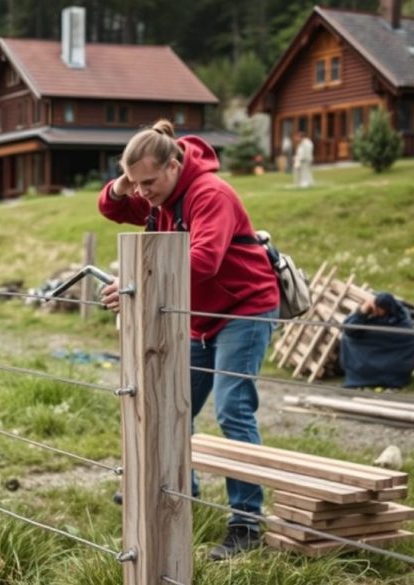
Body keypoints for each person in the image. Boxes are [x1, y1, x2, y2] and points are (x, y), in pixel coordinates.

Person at [97, 119, 280, 561]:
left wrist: (135, 285)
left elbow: (203, 262)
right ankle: (177, 492)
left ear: (176, 165)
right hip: (199, 317)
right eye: (135, 183)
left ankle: (247, 522)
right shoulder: (159, 198)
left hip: (245, 308)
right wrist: (126, 182)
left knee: (232, 408)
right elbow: (110, 207)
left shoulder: (208, 194)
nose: (142, 193)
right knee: (174, 405)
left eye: (149, 182)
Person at [339, 292, 414, 389]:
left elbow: (410, 342)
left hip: (392, 370)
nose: (376, 311)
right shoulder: (369, 317)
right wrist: (363, 311)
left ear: (388, 308)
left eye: (379, 309)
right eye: (375, 308)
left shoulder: (402, 322)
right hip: (367, 364)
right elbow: (348, 329)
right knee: (348, 338)